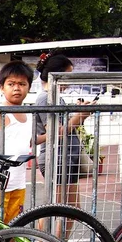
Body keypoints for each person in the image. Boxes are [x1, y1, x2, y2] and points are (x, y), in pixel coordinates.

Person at [0, 60, 41, 225]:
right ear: (2, 87)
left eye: (22, 83)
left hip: (19, 182)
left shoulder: (29, 115)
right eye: (11, 83)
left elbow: (32, 141)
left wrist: (67, 126)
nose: (17, 88)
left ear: (28, 87)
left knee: (13, 229)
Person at [35, 51, 94, 227]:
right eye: (67, 75)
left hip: (65, 158)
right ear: (57, 74)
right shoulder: (46, 98)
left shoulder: (54, 97)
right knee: (58, 210)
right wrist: (79, 117)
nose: (69, 80)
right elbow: (56, 132)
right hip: (57, 159)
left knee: (70, 210)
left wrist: (79, 116)